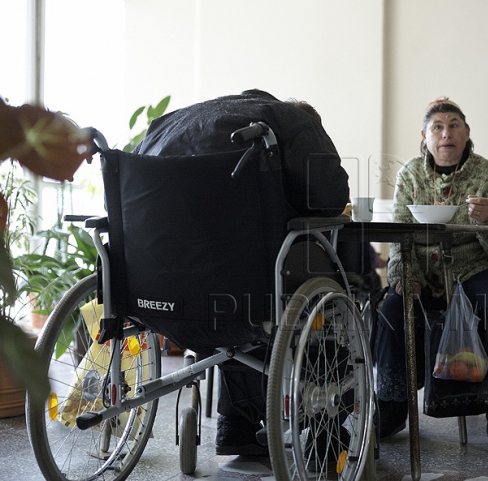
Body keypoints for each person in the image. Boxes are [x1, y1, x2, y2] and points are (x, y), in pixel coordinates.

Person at [135, 89, 350, 456]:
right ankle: (319, 426)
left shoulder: (170, 127)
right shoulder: (295, 121)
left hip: (156, 290)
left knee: (238, 284)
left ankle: (237, 422)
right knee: (311, 293)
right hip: (246, 287)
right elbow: (331, 198)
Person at [374, 98, 488, 453]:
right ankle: (393, 404)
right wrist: (402, 273)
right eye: (438, 127)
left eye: (454, 125)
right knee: (392, 310)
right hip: (423, 272)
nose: (446, 133)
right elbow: (399, 236)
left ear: (467, 132)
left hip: (476, 267)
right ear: (425, 136)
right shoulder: (409, 174)